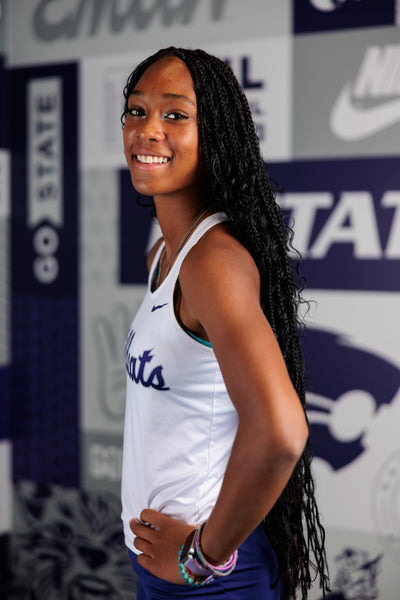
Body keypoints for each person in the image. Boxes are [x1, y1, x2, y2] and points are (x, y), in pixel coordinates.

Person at [120, 46, 329, 599]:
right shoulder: (163, 257)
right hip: (163, 569)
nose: (147, 129)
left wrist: (201, 559)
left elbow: (281, 433)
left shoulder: (211, 263)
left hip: (212, 580)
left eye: (175, 114)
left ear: (214, 134)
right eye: (137, 110)